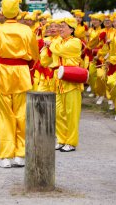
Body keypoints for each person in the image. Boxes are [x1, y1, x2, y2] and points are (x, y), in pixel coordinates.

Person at [0, 0, 39, 168]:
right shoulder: (27, 30)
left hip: (2, 71)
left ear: (2, 12)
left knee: (4, 115)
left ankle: (5, 156)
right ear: (18, 12)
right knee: (22, 114)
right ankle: (21, 155)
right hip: (21, 72)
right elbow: (34, 54)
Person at [50, 18, 84, 152]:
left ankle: (71, 142)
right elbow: (47, 60)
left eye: (64, 26)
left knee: (72, 114)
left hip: (71, 81)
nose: (61, 28)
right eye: (60, 26)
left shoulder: (75, 42)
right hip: (58, 82)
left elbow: (59, 51)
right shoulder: (58, 41)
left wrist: (51, 44)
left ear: (71, 29)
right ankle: (61, 139)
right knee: (59, 113)